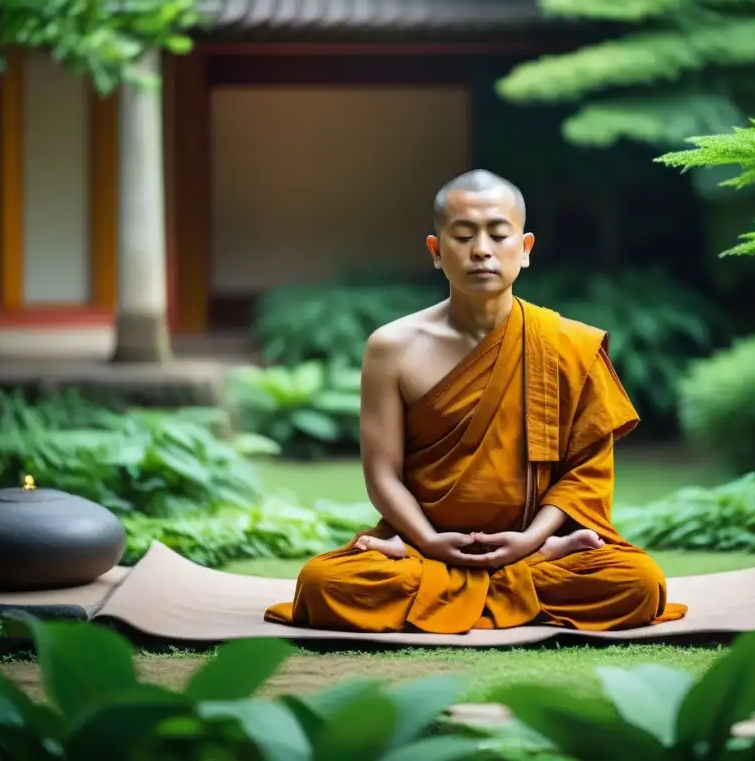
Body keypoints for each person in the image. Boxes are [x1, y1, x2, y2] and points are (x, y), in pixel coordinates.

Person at [264, 170, 688, 634]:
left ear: (524, 249)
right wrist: (427, 540)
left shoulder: (565, 344)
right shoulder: (392, 347)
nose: (481, 249)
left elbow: (583, 475)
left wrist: (531, 539)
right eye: (463, 235)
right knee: (323, 583)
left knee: (638, 583)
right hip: (425, 540)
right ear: (435, 251)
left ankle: (489, 572)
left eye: (498, 234)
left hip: (533, 537)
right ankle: (503, 575)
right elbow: (382, 473)